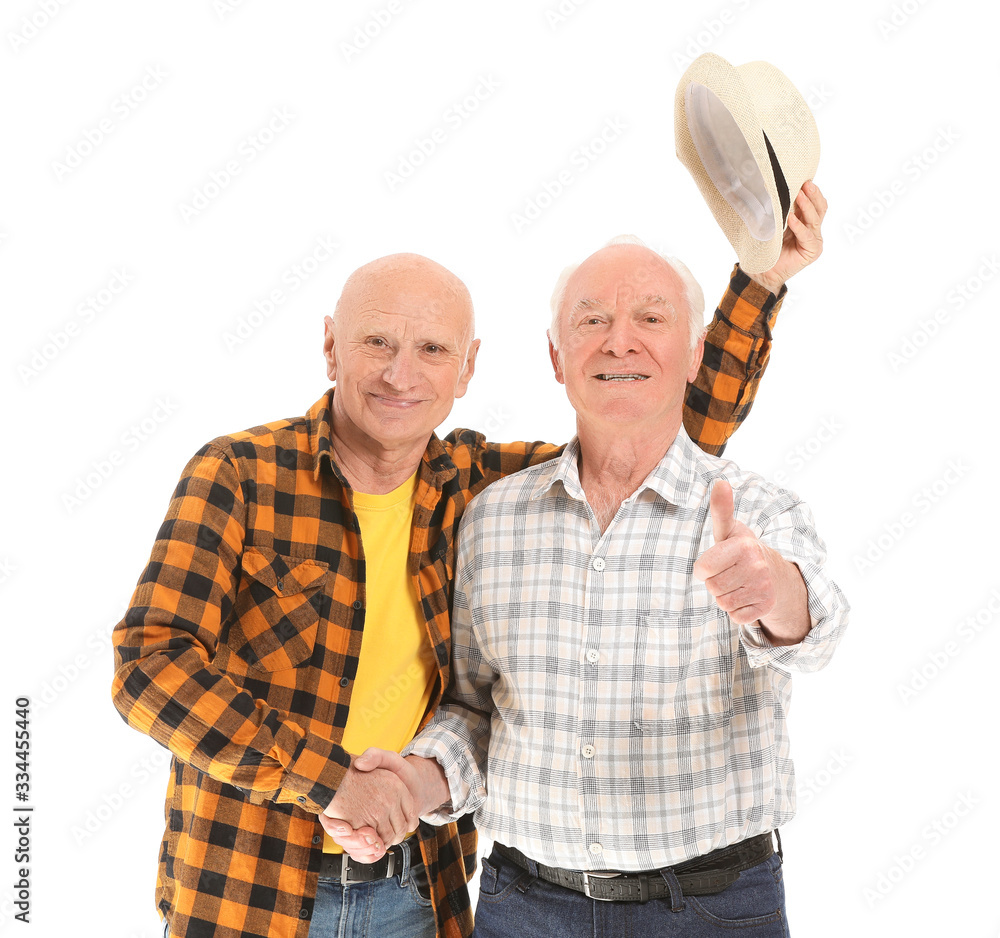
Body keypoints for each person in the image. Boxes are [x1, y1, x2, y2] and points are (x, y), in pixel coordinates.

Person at [111, 183, 827, 938]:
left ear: (468, 368)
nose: (401, 375)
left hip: (422, 892)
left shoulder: (480, 490)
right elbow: (149, 666)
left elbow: (649, 422)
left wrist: (761, 279)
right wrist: (328, 783)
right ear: (330, 346)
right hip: (248, 891)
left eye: (432, 350)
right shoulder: (239, 474)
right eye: (376, 343)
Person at [332, 226, 847, 936]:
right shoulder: (494, 518)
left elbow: (816, 632)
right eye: (592, 320)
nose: (619, 341)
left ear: (695, 353)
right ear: (556, 356)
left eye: (651, 319)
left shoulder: (755, 511)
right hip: (524, 909)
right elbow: (477, 713)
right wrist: (411, 781)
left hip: (711, 910)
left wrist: (772, 593)